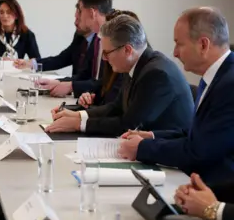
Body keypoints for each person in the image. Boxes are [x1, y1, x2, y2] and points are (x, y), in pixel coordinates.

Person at [118, 7, 234, 184]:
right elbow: (196, 134)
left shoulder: (229, 84)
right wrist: (153, 136)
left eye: (179, 43)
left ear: (203, 45)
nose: (175, 52)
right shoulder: (217, 76)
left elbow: (199, 151)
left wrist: (143, 148)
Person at [46, 15, 193, 137]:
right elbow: (116, 107)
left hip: (170, 163)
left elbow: (129, 125)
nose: (104, 59)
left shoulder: (156, 74)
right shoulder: (137, 65)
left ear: (127, 50)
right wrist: (77, 115)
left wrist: (79, 124)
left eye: (107, 52)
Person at [28, 0, 112, 98]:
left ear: (92, 13)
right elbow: (85, 75)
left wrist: (70, 86)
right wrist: (59, 82)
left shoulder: (112, 39)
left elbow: (106, 83)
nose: (78, 16)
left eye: (80, 11)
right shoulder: (98, 39)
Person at [78, 10, 146, 108]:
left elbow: (119, 115)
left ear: (127, 49)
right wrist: (88, 98)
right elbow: (102, 93)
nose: (104, 58)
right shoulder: (116, 65)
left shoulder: (131, 70)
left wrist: (81, 117)